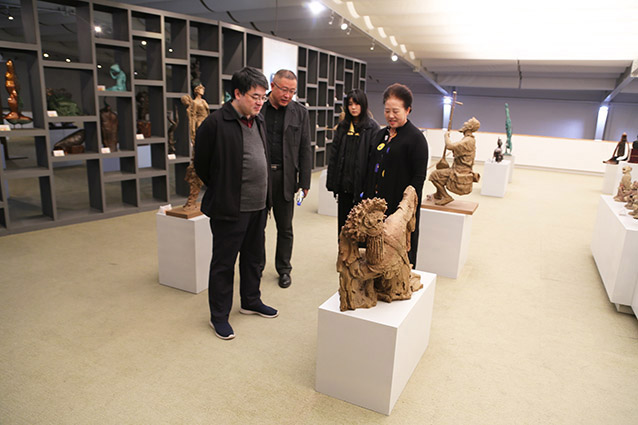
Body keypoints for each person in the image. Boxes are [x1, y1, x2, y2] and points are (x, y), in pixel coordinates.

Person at [194, 67, 278, 340]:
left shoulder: (259, 120)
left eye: (263, 97)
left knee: (254, 258)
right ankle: (218, 316)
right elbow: (202, 165)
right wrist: (225, 189)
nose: (260, 102)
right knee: (224, 263)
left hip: (258, 206)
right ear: (238, 93)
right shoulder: (215, 123)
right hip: (230, 208)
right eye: (255, 96)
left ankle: (251, 301)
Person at [364, 83, 428, 268]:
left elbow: (418, 178)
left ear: (408, 110)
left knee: (398, 253)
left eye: (396, 111)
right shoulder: (380, 134)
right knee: (375, 251)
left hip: (400, 207)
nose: (390, 115)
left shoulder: (416, 139)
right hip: (377, 205)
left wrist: (404, 208)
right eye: (387, 111)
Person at [260, 69, 312, 289]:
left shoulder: (300, 113)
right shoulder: (259, 108)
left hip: (286, 176)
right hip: (260, 177)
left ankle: (284, 269)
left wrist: (305, 181)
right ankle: (256, 267)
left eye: (292, 91)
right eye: (284, 89)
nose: (287, 95)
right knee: (257, 228)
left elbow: (305, 148)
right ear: (273, 86)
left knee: (285, 228)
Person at [326, 88, 380, 234]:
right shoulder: (343, 127)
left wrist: (371, 187)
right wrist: (332, 182)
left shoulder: (372, 128)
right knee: (344, 226)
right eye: (350, 104)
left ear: (363, 105)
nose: (353, 107)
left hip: (362, 188)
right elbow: (334, 155)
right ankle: (343, 249)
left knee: (360, 228)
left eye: (357, 104)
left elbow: (374, 161)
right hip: (344, 186)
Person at [428, 117, 481, 206]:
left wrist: (446, 136)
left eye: (467, 122)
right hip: (459, 168)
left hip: (459, 171)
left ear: (470, 127)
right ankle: (438, 194)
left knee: (434, 175)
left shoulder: (468, 140)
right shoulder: (468, 139)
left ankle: (446, 197)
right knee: (440, 173)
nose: (464, 123)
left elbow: (450, 146)